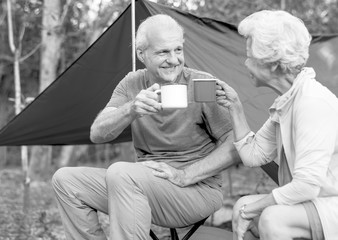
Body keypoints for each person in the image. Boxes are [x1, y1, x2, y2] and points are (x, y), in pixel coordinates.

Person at [52, 14, 240, 240]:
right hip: (141, 184)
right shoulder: (132, 84)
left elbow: (235, 144)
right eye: (163, 52)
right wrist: (131, 109)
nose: (174, 60)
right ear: (142, 54)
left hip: (196, 190)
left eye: (178, 50)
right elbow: (98, 134)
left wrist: (184, 175)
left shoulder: (201, 84)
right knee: (65, 180)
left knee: (122, 173)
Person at [216, 10, 338, 240]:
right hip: (313, 203)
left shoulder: (312, 102)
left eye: (249, 56)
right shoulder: (287, 101)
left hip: (331, 205)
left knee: (272, 218)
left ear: (271, 63)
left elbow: (307, 186)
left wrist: (253, 209)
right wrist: (235, 106)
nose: (245, 62)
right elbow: (253, 155)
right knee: (242, 205)